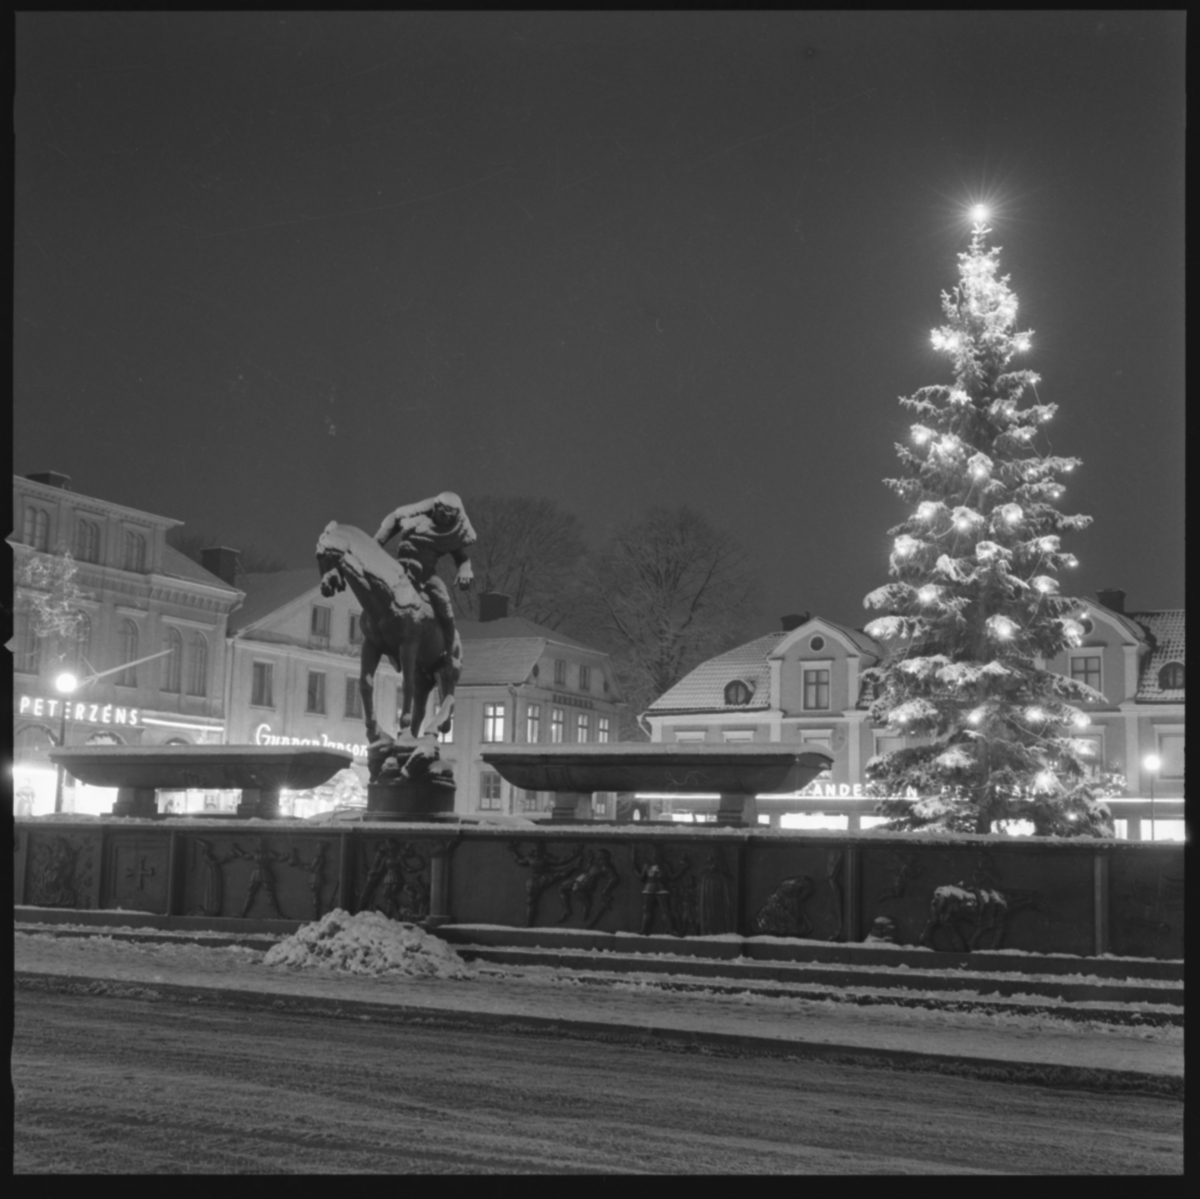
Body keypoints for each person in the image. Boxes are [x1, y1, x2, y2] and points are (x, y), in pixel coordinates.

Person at [373, 492, 477, 663]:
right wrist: (376, 543)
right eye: (441, 513)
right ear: (435, 509)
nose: (443, 519)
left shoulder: (451, 534)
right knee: (375, 594)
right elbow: (394, 519)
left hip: (426, 576)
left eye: (448, 516)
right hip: (400, 572)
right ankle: (381, 640)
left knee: (444, 605)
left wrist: (465, 569)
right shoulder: (417, 515)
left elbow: (462, 558)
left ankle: (449, 655)